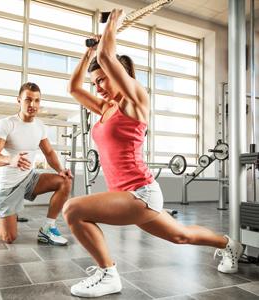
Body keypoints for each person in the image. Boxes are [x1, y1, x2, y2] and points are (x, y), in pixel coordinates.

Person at [65, 9, 243, 298]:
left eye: (103, 80)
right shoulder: (106, 108)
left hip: (139, 194)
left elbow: (110, 58)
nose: (98, 87)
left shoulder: (135, 101)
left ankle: (108, 274)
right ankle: (229, 244)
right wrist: (89, 55)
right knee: (180, 236)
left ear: (119, 75)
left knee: (73, 209)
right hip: (126, 196)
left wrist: (113, 24)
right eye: (95, 82)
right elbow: (73, 87)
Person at [0, 82, 72, 246]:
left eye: (37, 100)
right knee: (9, 238)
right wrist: (10, 160)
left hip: (29, 179)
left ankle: (48, 228)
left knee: (65, 181)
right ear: (19, 100)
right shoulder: (6, 124)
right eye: (28, 100)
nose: (33, 105)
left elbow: (49, 152)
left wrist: (61, 170)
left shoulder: (39, 126)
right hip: (7, 187)